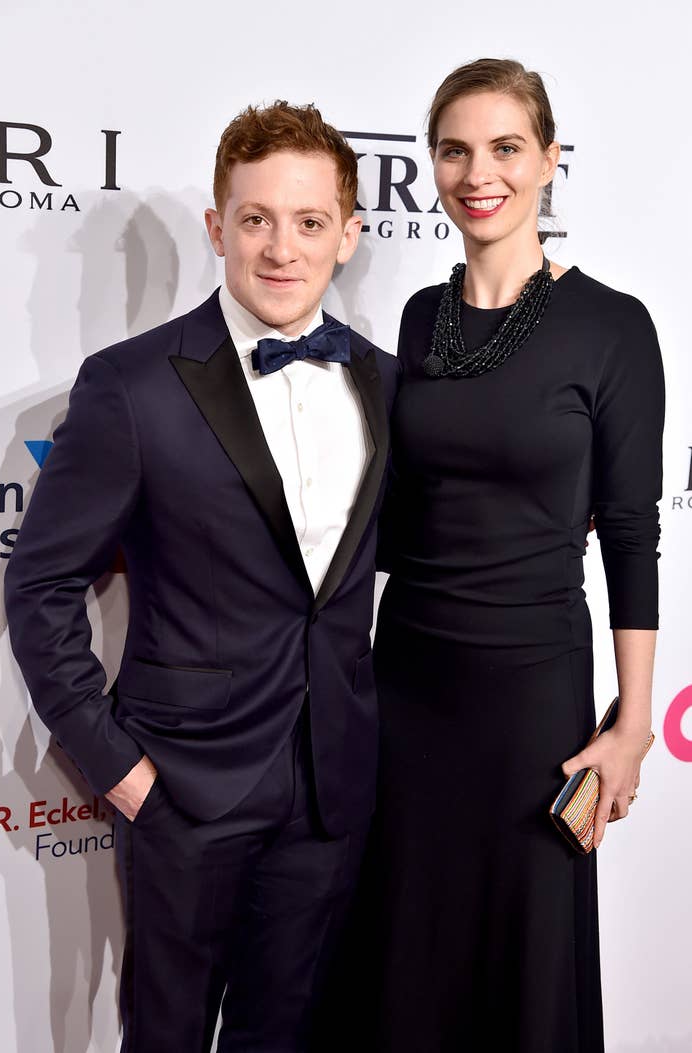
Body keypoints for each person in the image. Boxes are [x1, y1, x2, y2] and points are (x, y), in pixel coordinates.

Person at [4, 101, 399, 1053]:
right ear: (219, 227)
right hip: (182, 788)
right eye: (256, 219)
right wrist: (120, 770)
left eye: (310, 222)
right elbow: (40, 585)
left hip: (329, 789)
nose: (281, 248)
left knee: (289, 1033)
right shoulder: (133, 384)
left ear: (348, 234)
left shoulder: (388, 383)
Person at [368, 59, 664, 1052]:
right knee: (407, 946)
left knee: (523, 954)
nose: (476, 171)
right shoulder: (419, 316)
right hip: (406, 681)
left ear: (548, 161)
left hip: (531, 693)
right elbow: (403, 511)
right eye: (453, 149)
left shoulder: (612, 327)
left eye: (503, 147)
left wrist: (631, 723)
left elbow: (628, 532)